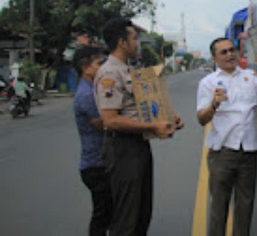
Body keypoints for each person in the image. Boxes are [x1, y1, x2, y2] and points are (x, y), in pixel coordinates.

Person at [94, 17, 184, 236]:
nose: (137, 43)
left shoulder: (128, 70)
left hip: (137, 144)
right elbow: (111, 120)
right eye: (134, 38)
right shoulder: (109, 73)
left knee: (142, 213)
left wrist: (169, 118)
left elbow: (139, 106)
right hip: (123, 148)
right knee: (127, 219)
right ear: (121, 42)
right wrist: (153, 125)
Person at [196, 37, 257, 236]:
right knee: (219, 206)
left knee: (245, 205)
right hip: (222, 154)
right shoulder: (208, 83)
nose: (230, 55)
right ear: (214, 58)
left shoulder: (251, 76)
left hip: (248, 152)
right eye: (223, 52)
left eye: (232, 50)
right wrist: (214, 105)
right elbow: (201, 119)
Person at [73, 46, 112, 236]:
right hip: (95, 166)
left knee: (108, 212)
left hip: (99, 162)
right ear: (86, 68)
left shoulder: (93, 89)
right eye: (99, 63)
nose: (103, 68)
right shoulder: (87, 95)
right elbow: (104, 124)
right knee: (102, 214)